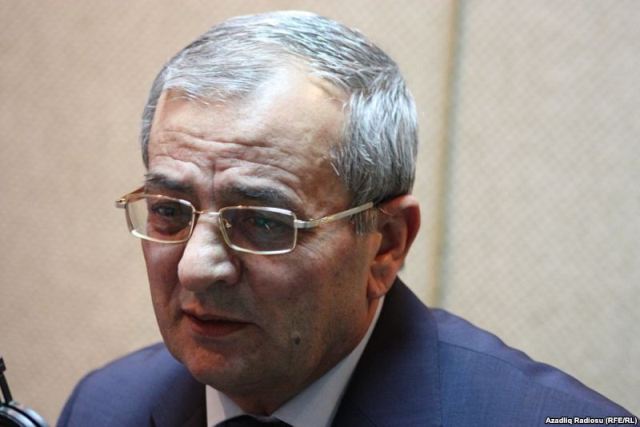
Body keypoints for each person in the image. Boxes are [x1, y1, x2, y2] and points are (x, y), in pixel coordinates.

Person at [58, 11, 635, 427]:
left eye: (262, 221)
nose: (195, 268)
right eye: (168, 211)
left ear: (385, 245)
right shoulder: (105, 407)